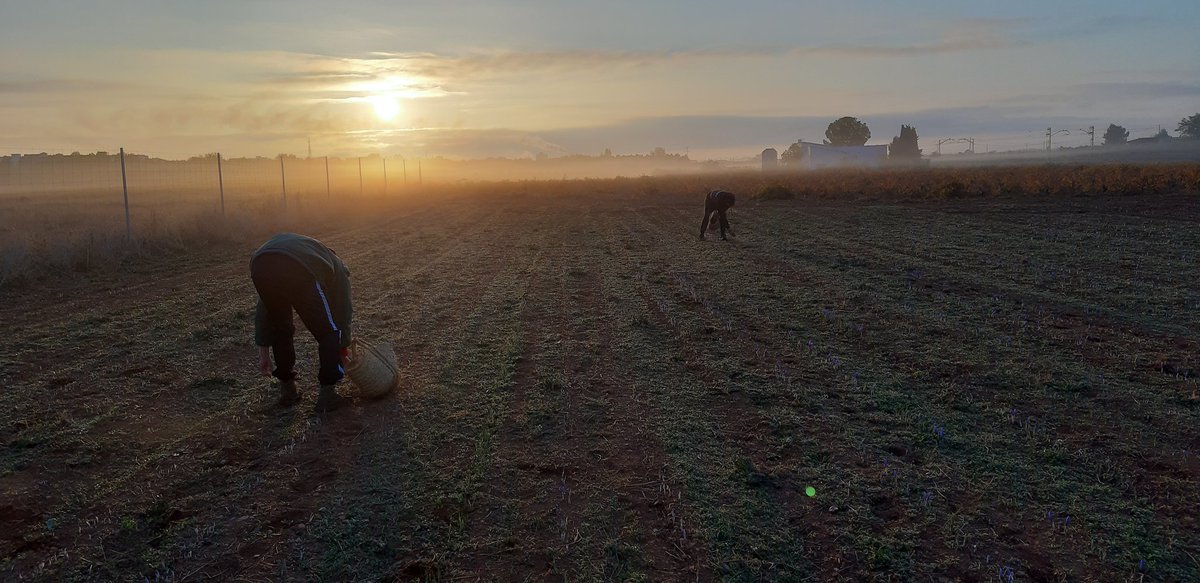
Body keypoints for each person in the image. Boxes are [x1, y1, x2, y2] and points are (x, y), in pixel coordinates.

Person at [251, 233, 353, 412]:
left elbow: (264, 310)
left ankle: (288, 390)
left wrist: (263, 352)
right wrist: (342, 349)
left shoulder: (308, 249)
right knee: (328, 331)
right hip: (296, 266)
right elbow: (342, 313)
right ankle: (328, 395)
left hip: (260, 264)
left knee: (281, 328)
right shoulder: (338, 269)